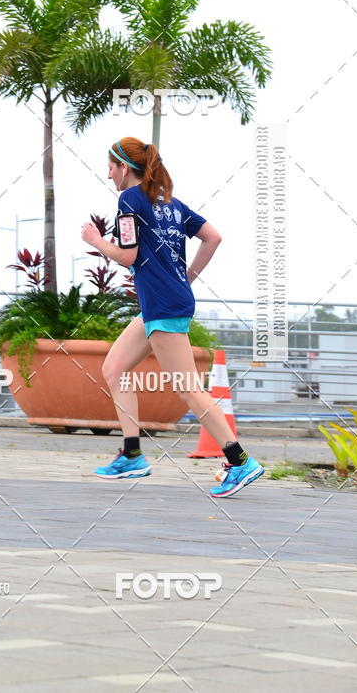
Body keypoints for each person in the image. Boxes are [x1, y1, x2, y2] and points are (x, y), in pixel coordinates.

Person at [80, 137, 264, 498]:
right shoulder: (170, 204)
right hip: (162, 302)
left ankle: (239, 460)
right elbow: (212, 237)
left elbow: (128, 256)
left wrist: (96, 240)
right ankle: (132, 455)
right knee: (114, 369)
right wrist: (187, 278)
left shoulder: (129, 200)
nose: (108, 174)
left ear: (124, 167)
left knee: (188, 388)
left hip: (164, 305)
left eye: (110, 167)